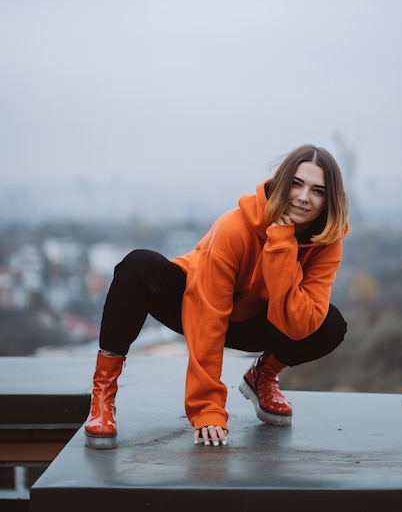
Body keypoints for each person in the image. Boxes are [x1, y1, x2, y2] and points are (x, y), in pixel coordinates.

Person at [84, 144, 349, 449]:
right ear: (281, 183)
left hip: (258, 319)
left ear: (329, 200)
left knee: (330, 324)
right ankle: (103, 393)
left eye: (317, 191)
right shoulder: (235, 227)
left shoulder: (327, 244)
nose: (303, 197)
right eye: (296, 184)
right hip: (195, 301)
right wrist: (207, 409)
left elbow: (300, 325)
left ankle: (261, 377)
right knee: (137, 266)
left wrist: (281, 247)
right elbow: (207, 316)